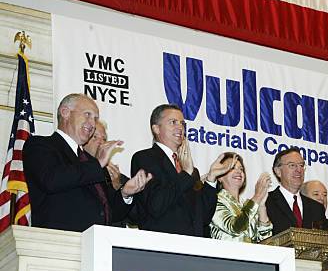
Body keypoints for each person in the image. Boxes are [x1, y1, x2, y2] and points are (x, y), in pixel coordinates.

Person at [23, 93, 150, 232]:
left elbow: (109, 214)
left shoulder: (90, 163)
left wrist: (125, 193)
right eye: (87, 114)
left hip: (96, 245)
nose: (92, 124)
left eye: (95, 118)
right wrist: (98, 163)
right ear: (65, 112)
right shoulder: (40, 145)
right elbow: (52, 180)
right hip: (59, 241)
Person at [130, 104, 231, 236]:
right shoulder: (145, 158)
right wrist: (185, 174)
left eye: (182, 123)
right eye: (173, 122)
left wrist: (211, 181)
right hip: (161, 245)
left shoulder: (191, 170)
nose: (180, 128)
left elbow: (203, 217)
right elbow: (156, 205)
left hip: (192, 247)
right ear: (156, 128)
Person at [210, 152, 273, 242]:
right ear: (220, 177)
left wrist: (262, 206)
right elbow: (235, 227)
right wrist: (257, 196)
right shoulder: (214, 200)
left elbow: (267, 242)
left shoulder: (248, 204)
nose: (239, 172)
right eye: (232, 168)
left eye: (241, 169)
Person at [266, 147, 328, 234]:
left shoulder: (317, 208)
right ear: (278, 171)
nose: (299, 170)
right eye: (292, 165)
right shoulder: (266, 202)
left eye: (301, 165)